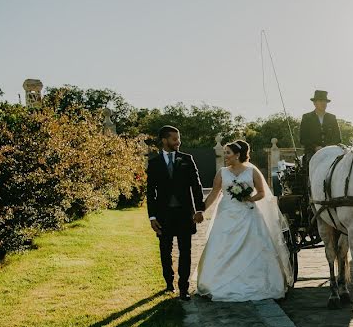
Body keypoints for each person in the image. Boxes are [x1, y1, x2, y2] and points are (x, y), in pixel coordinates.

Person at [195, 140, 293, 301]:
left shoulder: (252, 171)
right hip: (226, 214)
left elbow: (262, 193)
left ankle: (258, 281)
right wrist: (201, 210)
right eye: (225, 152)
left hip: (248, 214)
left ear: (238, 154)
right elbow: (213, 194)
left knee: (254, 245)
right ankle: (218, 282)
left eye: (228, 153)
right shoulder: (222, 172)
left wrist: (250, 198)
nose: (225, 156)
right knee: (222, 246)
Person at [146, 125, 205, 300]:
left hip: (184, 215)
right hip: (163, 216)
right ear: (164, 140)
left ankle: (184, 288)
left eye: (178, 139)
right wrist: (152, 217)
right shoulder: (154, 163)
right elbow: (150, 193)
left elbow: (196, 186)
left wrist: (200, 209)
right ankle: (169, 282)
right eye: (174, 139)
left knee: (185, 251)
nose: (178, 142)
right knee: (165, 250)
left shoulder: (187, 159)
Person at [299, 89, 342, 160]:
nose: (323, 103)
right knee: (309, 165)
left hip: (330, 151)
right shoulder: (307, 117)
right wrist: (315, 147)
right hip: (312, 152)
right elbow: (303, 138)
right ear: (314, 103)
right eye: (321, 101)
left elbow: (337, 137)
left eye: (325, 101)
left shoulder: (332, 117)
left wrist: (328, 147)